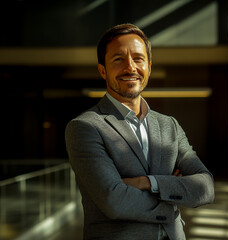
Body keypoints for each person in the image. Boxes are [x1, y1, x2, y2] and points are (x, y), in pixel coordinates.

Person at [65, 23, 214, 240]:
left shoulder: (169, 125)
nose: (130, 67)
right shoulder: (85, 127)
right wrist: (173, 202)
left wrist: (148, 182)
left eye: (138, 58)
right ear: (102, 70)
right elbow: (114, 201)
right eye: (118, 59)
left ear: (149, 67)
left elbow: (205, 187)